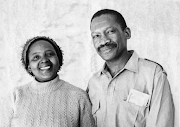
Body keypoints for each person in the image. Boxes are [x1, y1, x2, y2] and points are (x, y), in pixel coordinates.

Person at [87, 9, 174, 127]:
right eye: (96, 36)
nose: (104, 41)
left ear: (127, 33)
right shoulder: (93, 83)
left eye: (110, 31)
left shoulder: (153, 74)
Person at [0, 36, 95, 127]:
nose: (44, 60)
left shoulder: (78, 96)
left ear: (59, 59)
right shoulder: (15, 96)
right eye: (36, 57)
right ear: (29, 67)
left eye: (49, 54)